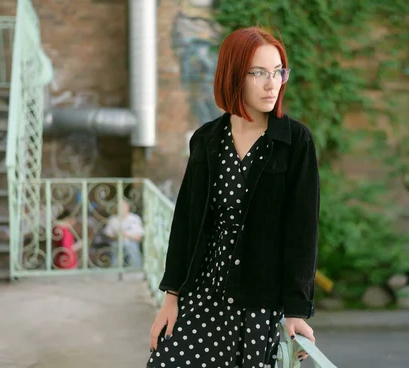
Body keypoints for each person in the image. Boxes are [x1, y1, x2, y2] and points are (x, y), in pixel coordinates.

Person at [147, 26, 320, 368]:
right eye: (258, 73)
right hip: (202, 295)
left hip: (259, 302)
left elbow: (302, 232)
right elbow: (186, 222)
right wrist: (171, 298)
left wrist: (296, 310)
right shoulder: (207, 140)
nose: (272, 84)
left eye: (278, 72)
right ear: (233, 75)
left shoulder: (295, 142)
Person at [102, 200, 145, 267]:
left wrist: (127, 235)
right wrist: (117, 236)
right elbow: (107, 236)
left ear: (128, 207)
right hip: (117, 243)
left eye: (123, 207)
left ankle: (135, 269)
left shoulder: (135, 219)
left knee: (132, 248)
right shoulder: (113, 219)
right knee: (115, 250)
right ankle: (115, 269)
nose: (122, 209)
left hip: (131, 243)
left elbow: (140, 237)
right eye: (120, 207)